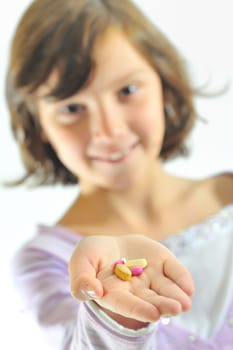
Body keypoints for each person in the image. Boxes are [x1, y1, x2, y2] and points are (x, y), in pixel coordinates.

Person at [6, 0, 233, 349]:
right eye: (71, 108)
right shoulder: (45, 261)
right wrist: (112, 314)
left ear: (164, 83)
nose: (107, 131)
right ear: (39, 125)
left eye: (127, 91)